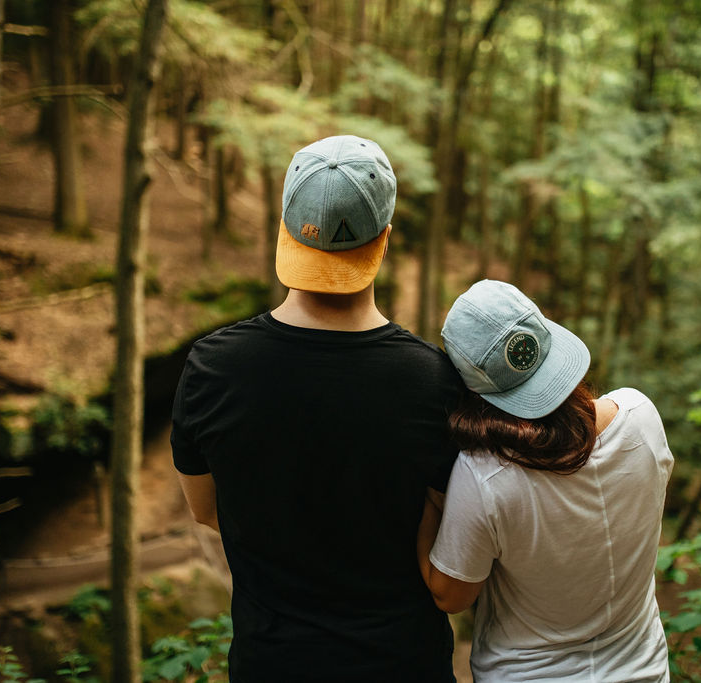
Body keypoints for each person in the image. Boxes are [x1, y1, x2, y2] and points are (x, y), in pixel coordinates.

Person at [171, 135, 463, 682]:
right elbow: (455, 532)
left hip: (271, 664)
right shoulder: (435, 382)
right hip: (402, 665)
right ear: (384, 240)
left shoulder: (211, 368)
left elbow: (207, 510)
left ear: (284, 230)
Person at [417, 279, 673, 682]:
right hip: (646, 671)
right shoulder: (641, 417)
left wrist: (432, 500)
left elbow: (450, 594)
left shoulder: (484, 476)